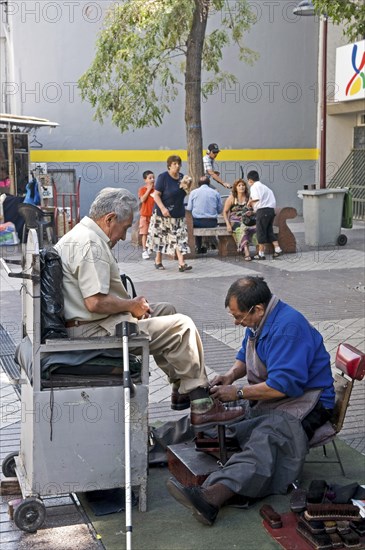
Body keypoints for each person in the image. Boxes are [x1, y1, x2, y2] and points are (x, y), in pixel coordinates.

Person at [55, 187, 246, 427]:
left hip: (91, 323)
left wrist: (132, 307)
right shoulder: (91, 245)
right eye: (124, 228)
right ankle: (202, 406)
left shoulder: (80, 234)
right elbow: (95, 302)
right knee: (181, 327)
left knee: (165, 310)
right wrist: (131, 305)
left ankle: (181, 388)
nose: (124, 237)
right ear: (109, 219)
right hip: (93, 332)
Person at [167, 276, 335, 526]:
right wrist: (230, 376)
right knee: (212, 414)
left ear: (257, 308)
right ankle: (155, 447)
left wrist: (239, 393)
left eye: (239, 317)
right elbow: (245, 355)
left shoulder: (289, 328)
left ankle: (211, 497)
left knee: (268, 437)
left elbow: (284, 385)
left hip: (309, 402)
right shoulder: (260, 319)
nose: (236, 323)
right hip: (276, 394)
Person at [146, 155, 192, 272]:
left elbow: (183, 194)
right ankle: (158, 260)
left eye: (179, 164)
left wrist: (187, 186)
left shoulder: (182, 177)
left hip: (178, 213)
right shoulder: (163, 177)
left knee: (180, 238)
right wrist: (163, 208)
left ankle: (182, 263)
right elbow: (156, 195)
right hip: (162, 214)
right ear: (169, 166)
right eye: (174, 164)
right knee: (160, 237)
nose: (177, 166)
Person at [246, 170, 282, 260]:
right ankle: (277, 249)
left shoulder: (254, 187)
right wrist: (254, 211)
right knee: (269, 231)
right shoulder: (265, 187)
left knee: (260, 231)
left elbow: (256, 198)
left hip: (263, 212)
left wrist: (249, 202)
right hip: (270, 211)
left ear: (250, 180)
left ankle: (261, 253)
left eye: (248, 181)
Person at [186, 175, 223, 254]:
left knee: (193, 224)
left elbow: (189, 209)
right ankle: (212, 246)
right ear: (209, 183)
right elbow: (220, 210)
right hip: (212, 222)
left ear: (198, 184)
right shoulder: (215, 193)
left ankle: (198, 248)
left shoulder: (193, 193)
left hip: (197, 222)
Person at [223, 178, 257, 261]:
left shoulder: (248, 198)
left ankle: (258, 252)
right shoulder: (232, 198)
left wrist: (251, 212)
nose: (241, 187)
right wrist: (227, 224)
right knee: (242, 229)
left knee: (257, 229)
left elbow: (255, 210)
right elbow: (224, 212)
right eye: (239, 185)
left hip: (247, 220)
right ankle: (246, 251)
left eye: (243, 185)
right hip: (235, 221)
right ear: (236, 188)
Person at [138, 170, 155, 260]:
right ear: (145, 180)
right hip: (144, 215)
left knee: (153, 233)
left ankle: (150, 247)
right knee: (144, 233)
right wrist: (148, 189)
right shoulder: (142, 189)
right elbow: (142, 199)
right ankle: (144, 250)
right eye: (150, 178)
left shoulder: (156, 189)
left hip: (154, 215)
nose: (152, 180)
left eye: (153, 178)